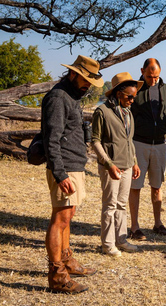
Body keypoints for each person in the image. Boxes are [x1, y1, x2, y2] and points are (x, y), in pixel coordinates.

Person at [42, 55, 104, 293]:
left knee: (67, 217)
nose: (89, 84)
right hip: (65, 167)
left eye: (92, 80)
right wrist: (60, 173)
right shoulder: (58, 97)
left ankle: (66, 262)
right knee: (60, 219)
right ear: (73, 74)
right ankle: (57, 276)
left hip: (74, 165)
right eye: (86, 79)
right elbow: (52, 139)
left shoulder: (71, 96)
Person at [92, 72, 143, 256]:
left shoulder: (128, 113)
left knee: (121, 204)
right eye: (130, 96)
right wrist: (108, 164)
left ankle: (121, 240)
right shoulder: (102, 112)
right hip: (110, 167)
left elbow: (129, 140)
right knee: (110, 205)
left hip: (127, 166)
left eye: (134, 97)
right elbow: (95, 141)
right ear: (118, 93)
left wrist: (134, 162)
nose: (132, 100)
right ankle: (107, 244)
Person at [128, 58, 166, 240]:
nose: (153, 80)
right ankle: (134, 227)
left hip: (160, 144)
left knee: (157, 186)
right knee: (135, 186)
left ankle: (158, 223)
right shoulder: (135, 88)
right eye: (149, 76)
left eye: (156, 76)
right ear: (142, 71)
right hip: (139, 143)